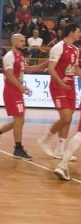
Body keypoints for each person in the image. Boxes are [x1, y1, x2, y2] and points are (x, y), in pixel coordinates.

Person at [36, 23, 81, 169]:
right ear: (71, 32)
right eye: (78, 31)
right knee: (66, 117)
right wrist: (60, 82)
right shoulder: (58, 47)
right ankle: (45, 138)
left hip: (70, 86)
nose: (80, 34)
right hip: (58, 86)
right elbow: (51, 68)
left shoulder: (75, 49)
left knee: (68, 119)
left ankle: (60, 150)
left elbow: (75, 68)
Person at [0, 34, 48, 159]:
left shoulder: (20, 55)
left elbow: (28, 69)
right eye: (21, 41)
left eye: (24, 40)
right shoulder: (9, 56)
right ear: (14, 41)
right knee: (19, 120)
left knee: (19, 121)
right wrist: (20, 87)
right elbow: (9, 75)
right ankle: (18, 148)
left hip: (17, 91)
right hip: (11, 92)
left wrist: (45, 64)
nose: (23, 42)